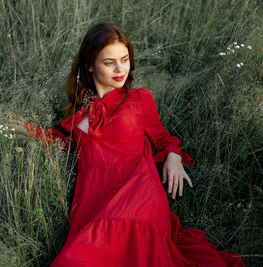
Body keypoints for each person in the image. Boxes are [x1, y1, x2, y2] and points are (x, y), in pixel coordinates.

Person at [13, 23, 245, 267]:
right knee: (72, 260)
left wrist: (174, 158)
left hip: (139, 196)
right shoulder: (82, 115)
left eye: (124, 59)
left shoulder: (139, 99)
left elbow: (164, 138)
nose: (120, 68)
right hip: (94, 202)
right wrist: (31, 133)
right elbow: (71, 144)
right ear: (90, 65)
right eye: (109, 62)